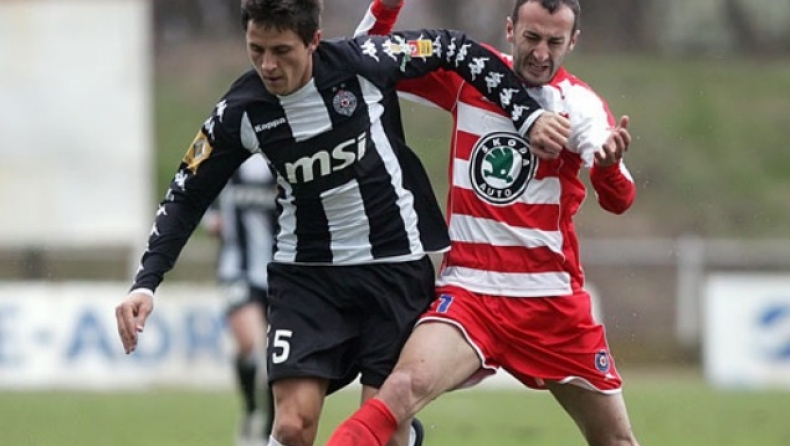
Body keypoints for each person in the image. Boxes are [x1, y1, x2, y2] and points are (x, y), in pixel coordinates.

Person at [113, 1, 570, 446]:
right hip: (307, 276)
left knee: (384, 431)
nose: (268, 65)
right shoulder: (240, 111)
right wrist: (146, 283)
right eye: (257, 50)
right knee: (292, 427)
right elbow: (186, 193)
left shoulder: (363, 62)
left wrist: (525, 114)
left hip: (393, 267)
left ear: (313, 41)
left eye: (282, 51)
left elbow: (454, 48)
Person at [325, 0, 640, 445]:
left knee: (615, 440)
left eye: (554, 42)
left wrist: (607, 169)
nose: (541, 54)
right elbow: (368, 55)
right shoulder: (472, 74)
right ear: (510, 30)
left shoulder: (580, 105)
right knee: (399, 392)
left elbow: (620, 199)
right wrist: (388, 6)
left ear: (573, 42)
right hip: (470, 293)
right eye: (531, 38)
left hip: (549, 302)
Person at [201, 155, 278, 446]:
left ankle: (268, 428)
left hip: (280, 273)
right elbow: (208, 214)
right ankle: (251, 408)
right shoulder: (226, 161)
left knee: (274, 357)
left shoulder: (283, 160)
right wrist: (215, 223)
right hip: (237, 272)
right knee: (248, 345)